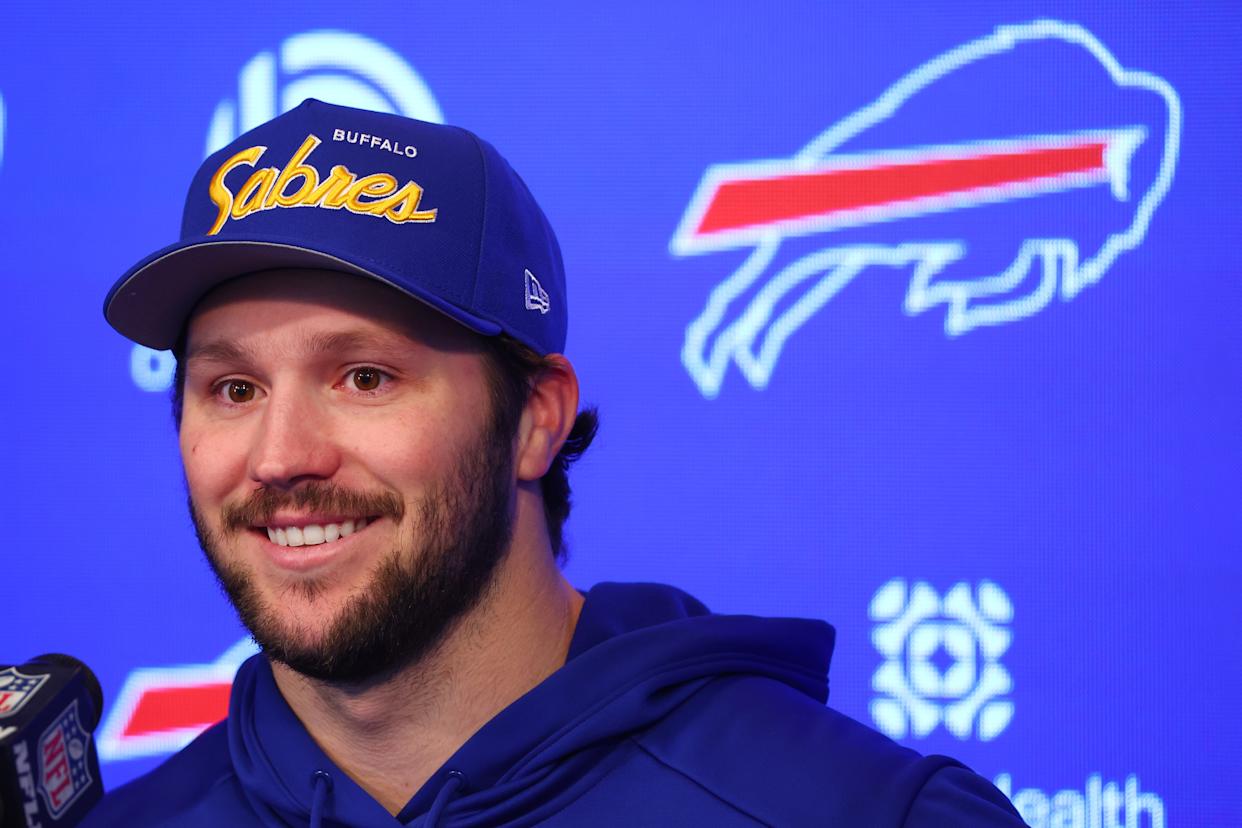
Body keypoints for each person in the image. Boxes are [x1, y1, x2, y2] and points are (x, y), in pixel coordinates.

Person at [85, 99, 1024, 827]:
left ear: (536, 418)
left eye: (363, 376)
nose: (281, 457)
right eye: (233, 390)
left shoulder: (855, 812)